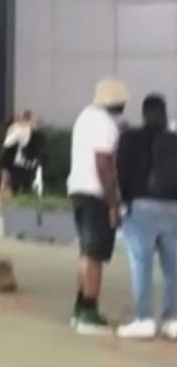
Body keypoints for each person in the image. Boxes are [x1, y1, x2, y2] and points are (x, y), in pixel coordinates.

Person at [67, 76, 128, 334]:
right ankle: (89, 314)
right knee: (95, 256)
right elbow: (104, 165)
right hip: (96, 194)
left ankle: (80, 308)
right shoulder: (106, 125)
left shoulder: (84, 117)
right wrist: (113, 202)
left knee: (86, 253)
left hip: (78, 190)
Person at [116, 94, 177, 341]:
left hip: (141, 207)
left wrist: (127, 200)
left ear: (144, 114)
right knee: (173, 268)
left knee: (141, 265)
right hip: (173, 208)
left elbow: (121, 172)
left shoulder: (129, 137)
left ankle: (143, 319)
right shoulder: (174, 140)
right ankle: (172, 320)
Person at [0, 111, 47, 198]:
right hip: (17, 154)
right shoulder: (21, 129)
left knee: (13, 175)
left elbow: (10, 141)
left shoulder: (20, 128)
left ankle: (11, 193)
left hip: (18, 155)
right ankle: (11, 193)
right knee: (13, 175)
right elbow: (16, 141)